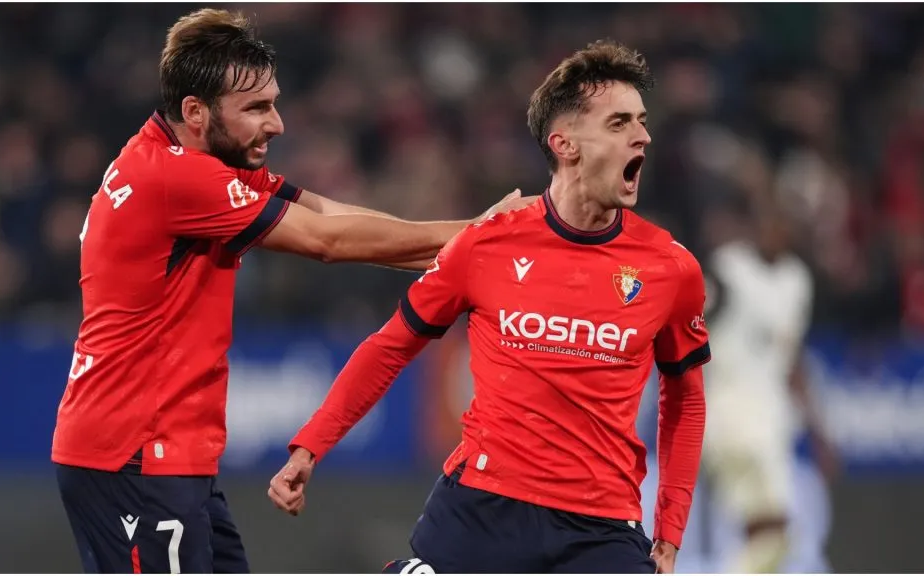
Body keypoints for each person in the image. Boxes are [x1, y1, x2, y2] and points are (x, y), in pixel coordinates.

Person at [51, 8, 527, 574]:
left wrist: (473, 239)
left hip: (162, 456)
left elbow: (327, 211)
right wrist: (484, 235)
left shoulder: (193, 159)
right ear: (195, 112)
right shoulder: (175, 179)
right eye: (256, 108)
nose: (276, 123)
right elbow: (327, 240)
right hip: (132, 457)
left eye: (274, 102)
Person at [271, 40, 711, 574]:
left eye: (641, 121)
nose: (643, 135)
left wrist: (668, 530)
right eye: (620, 123)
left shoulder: (671, 267)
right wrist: (310, 447)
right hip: (484, 507)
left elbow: (684, 400)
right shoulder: (485, 245)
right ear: (565, 143)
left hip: (601, 528)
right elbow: (390, 347)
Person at [699, 204, 837, 572]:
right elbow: (700, 311)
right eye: (765, 225)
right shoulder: (729, 268)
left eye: (781, 227)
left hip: (770, 416)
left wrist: (818, 428)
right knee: (774, 530)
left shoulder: (796, 281)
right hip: (730, 415)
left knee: (766, 535)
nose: (772, 234)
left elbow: (791, 359)